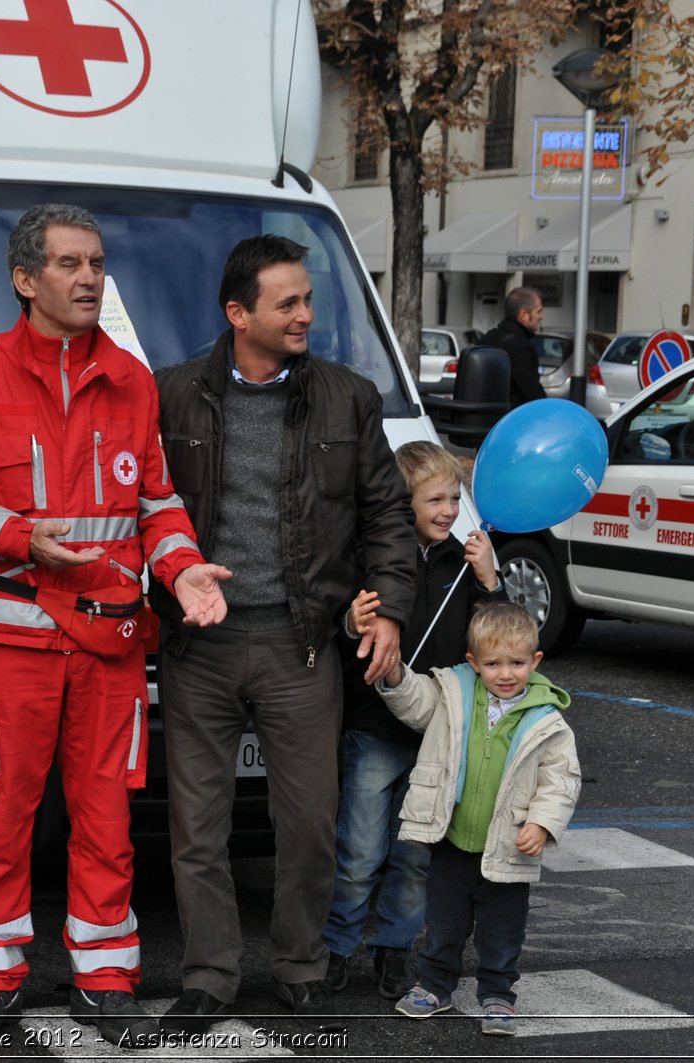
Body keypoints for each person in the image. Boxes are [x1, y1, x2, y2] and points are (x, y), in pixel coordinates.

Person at [0, 203, 231, 1049]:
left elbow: (155, 501)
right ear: (26, 280)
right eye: (70, 264)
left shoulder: (130, 377)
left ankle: (105, 976)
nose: (90, 278)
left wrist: (182, 565)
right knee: (1, 809)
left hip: (111, 642)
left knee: (107, 814)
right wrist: (20, 537)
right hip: (12, 636)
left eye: (96, 263)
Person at [151, 234, 417, 1035]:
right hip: (200, 647)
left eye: (308, 298)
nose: (307, 314)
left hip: (303, 645)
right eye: (288, 302)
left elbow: (387, 515)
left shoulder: (348, 396)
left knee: (308, 822)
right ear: (239, 314)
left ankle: (299, 965)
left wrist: (393, 610)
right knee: (197, 827)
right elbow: (143, 511)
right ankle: (209, 976)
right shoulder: (169, 395)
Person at [322, 441, 506, 1000]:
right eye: (436, 499)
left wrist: (490, 580)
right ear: (403, 503)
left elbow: (500, 638)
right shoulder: (372, 559)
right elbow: (337, 629)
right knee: (359, 851)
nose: (449, 510)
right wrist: (351, 622)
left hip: (437, 734)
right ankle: (336, 947)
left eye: (455, 498)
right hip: (375, 728)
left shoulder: (462, 563)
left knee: (415, 855)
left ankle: (395, 950)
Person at [376, 601, 581, 1037]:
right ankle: (434, 985)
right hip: (452, 839)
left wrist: (542, 824)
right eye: (493, 664)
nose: (506, 673)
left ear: (535, 661)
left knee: (502, 930)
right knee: (444, 921)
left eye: (517, 663)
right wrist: (394, 674)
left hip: (508, 846)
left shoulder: (548, 719)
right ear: (473, 662)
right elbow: (415, 703)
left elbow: (561, 780)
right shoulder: (454, 694)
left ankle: (498, 994)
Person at [477, 287, 544, 409]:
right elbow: (533, 395)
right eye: (538, 312)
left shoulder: (487, 338)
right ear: (523, 315)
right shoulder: (520, 347)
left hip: (483, 420)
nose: (541, 317)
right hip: (511, 422)